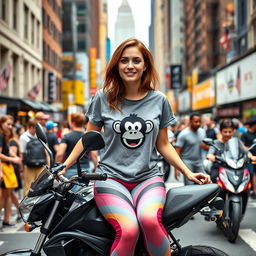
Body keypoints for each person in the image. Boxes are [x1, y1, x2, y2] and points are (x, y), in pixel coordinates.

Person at [59, 38, 211, 256]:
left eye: (136, 61)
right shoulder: (103, 98)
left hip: (148, 179)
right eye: (124, 61)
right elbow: (88, 138)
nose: (130, 66)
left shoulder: (159, 100)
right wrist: (64, 166)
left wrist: (187, 171)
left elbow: (164, 144)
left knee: (150, 221)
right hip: (109, 179)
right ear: (117, 65)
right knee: (128, 230)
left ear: (145, 65)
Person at [206, 119, 256, 184]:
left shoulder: (236, 141)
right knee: (213, 178)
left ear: (233, 131)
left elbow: (246, 152)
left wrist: (251, 156)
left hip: (234, 168)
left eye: (230, 132)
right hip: (220, 168)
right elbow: (210, 154)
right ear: (221, 131)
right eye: (225, 132)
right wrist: (211, 156)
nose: (227, 134)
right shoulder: (215, 143)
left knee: (247, 177)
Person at [56, 113, 98, 177]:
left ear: (72, 123)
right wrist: (95, 169)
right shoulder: (88, 136)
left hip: (70, 169)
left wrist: (57, 168)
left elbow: (60, 154)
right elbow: (94, 155)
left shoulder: (67, 136)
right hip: (85, 170)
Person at [174, 112, 209, 185]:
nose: (198, 123)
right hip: (187, 163)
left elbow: (205, 147)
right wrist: (176, 169)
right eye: (196, 121)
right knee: (189, 186)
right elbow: (177, 151)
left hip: (199, 162)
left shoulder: (202, 132)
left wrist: (208, 147)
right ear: (190, 121)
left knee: (204, 183)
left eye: (199, 121)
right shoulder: (183, 134)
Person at [0, 115, 21, 227]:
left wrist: (15, 157)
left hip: (7, 169)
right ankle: (5, 219)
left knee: (7, 195)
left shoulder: (4, 137)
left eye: (11, 124)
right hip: (4, 169)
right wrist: (13, 159)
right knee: (4, 196)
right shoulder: (1, 136)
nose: (10, 126)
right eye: (7, 124)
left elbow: (6, 151)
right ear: (1, 124)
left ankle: (6, 219)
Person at [20, 118, 46, 196]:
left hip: (40, 165)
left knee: (40, 186)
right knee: (28, 187)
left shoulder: (38, 135)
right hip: (29, 166)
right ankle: (26, 206)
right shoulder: (23, 137)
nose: (37, 130)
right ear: (30, 127)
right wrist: (21, 169)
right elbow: (22, 153)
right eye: (36, 128)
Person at [240, 116, 256, 199]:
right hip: (248, 159)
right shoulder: (245, 135)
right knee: (251, 173)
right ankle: (250, 190)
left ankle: (254, 191)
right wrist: (248, 151)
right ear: (253, 125)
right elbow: (241, 146)